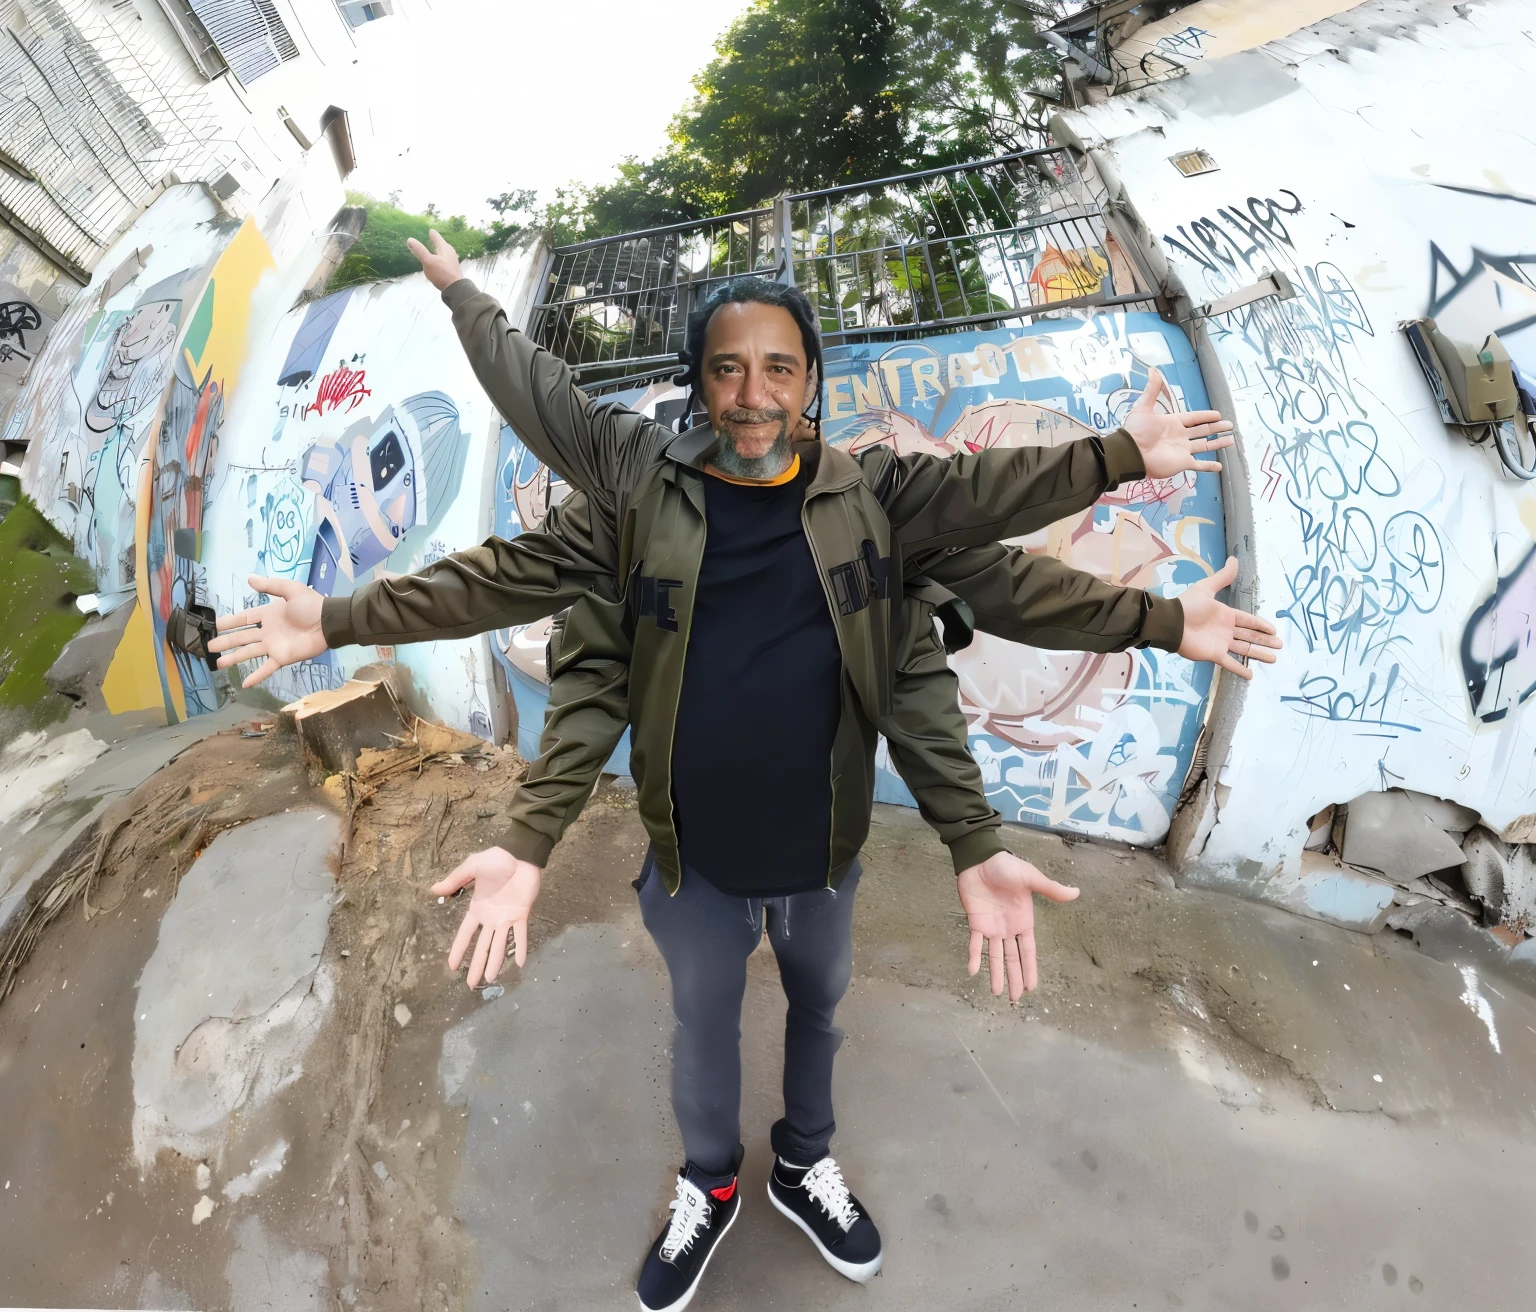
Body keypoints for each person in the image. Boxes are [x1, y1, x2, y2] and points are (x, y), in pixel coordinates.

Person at [212, 232, 1279, 1311]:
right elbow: (515, 531)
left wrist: (1146, 584)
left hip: (824, 854)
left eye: (779, 367)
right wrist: (348, 617)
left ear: (812, 381)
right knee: (703, 1022)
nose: (754, 392)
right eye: (728, 367)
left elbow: (1001, 541)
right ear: (699, 383)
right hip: (697, 867)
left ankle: (804, 1163)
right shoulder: (637, 497)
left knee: (819, 1008)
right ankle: (712, 1181)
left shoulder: (875, 506)